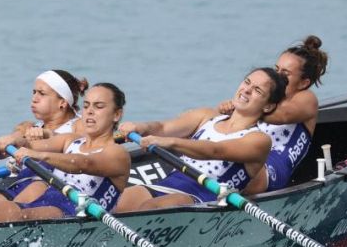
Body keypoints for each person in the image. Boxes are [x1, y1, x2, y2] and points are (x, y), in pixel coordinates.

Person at [115, 67, 287, 211]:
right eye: (247, 82)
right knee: (116, 203)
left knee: (150, 207)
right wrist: (140, 127)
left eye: (257, 90)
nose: (247, 90)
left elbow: (216, 150)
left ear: (268, 106)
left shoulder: (259, 140)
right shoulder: (206, 115)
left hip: (203, 198)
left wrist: (170, 142)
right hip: (168, 183)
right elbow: (163, 127)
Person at [0, 83, 130, 223]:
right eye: (86, 106)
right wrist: (9, 142)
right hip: (45, 199)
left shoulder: (118, 153)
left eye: (99, 106)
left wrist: (40, 156)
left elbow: (84, 163)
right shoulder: (71, 140)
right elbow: (30, 145)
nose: (89, 112)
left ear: (117, 115)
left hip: (75, 212)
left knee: (11, 211)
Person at [217, 36, 328, 193]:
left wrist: (240, 107)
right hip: (250, 153)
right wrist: (225, 109)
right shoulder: (263, 99)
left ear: (303, 83)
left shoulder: (307, 99)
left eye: (285, 73)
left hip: (273, 168)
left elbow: (281, 116)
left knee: (230, 163)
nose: (277, 76)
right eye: (276, 70)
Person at [0, 69, 87, 203]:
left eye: (42, 93)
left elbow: (80, 142)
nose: (34, 98)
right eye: (34, 92)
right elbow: (11, 143)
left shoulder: (79, 125)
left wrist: (48, 134)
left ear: (62, 102)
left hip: (50, 189)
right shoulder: (28, 126)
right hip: (17, 182)